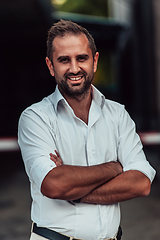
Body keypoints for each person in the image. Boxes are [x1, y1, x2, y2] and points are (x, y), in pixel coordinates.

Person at [18, 19, 156, 240]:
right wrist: (115, 168)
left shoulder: (118, 115)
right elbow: (55, 184)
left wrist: (75, 194)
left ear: (95, 61)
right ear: (51, 65)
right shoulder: (35, 118)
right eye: (64, 60)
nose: (74, 68)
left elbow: (141, 183)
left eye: (81, 58)